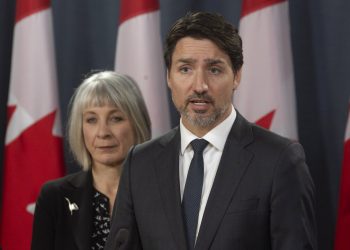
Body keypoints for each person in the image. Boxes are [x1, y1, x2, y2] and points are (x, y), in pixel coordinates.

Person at [105, 12, 317, 250]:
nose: (199, 86)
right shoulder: (139, 163)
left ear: (236, 76)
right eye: (185, 69)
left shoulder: (279, 160)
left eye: (214, 70)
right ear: (168, 76)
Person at [31, 71, 151, 250]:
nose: (102, 132)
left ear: (137, 124)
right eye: (91, 120)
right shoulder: (54, 197)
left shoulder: (163, 194)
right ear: (80, 128)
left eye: (115, 118)